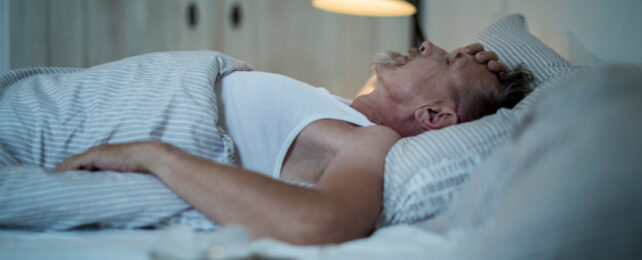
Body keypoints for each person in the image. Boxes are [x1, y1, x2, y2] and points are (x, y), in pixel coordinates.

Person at [53, 41, 533, 245]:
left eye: (445, 58)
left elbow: (322, 221)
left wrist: (152, 154)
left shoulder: (370, 141)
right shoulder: (341, 106)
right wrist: (462, 70)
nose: (428, 46)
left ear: (432, 117)